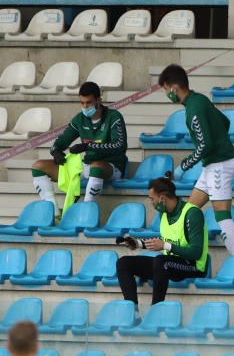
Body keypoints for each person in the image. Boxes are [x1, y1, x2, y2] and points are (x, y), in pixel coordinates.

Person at [158, 64, 234, 255]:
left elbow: (204, 146)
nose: (166, 95)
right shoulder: (198, 100)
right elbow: (224, 122)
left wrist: (183, 167)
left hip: (219, 164)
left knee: (222, 216)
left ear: (174, 88)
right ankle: (187, 252)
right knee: (189, 210)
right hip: (213, 164)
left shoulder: (194, 108)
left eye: (165, 90)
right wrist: (219, 139)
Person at [31, 82, 128, 215]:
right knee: (38, 166)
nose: (85, 106)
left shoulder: (114, 117)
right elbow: (60, 141)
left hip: (112, 167)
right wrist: (56, 152)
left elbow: (120, 145)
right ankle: (53, 213)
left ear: (99, 100)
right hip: (86, 166)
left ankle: (86, 213)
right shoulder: (80, 119)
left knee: (96, 166)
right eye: (81, 103)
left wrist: (88, 146)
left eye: (88, 102)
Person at [115, 177, 208, 313]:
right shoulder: (163, 214)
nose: (152, 202)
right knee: (124, 263)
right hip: (168, 264)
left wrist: (166, 246)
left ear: (162, 198)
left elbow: (196, 253)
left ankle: (155, 311)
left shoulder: (192, 214)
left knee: (161, 261)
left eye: (152, 199)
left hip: (192, 266)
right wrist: (138, 244)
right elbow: (166, 241)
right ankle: (132, 311)